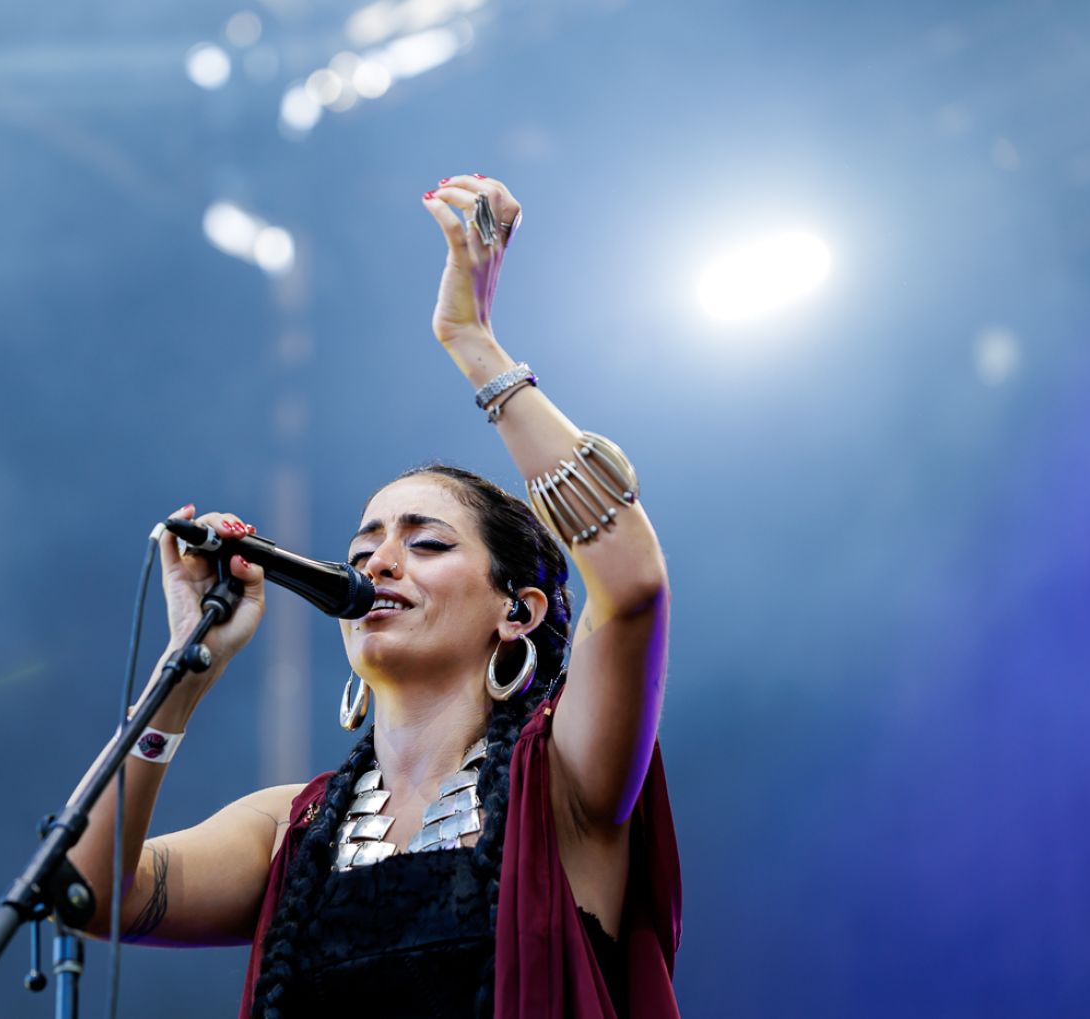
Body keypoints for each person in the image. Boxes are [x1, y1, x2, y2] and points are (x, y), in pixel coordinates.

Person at [68, 174, 680, 1017]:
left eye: (425, 543)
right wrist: (187, 666)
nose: (381, 562)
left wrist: (472, 341)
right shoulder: (292, 825)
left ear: (519, 611)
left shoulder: (564, 779)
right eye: (364, 548)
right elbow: (89, 889)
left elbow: (633, 583)